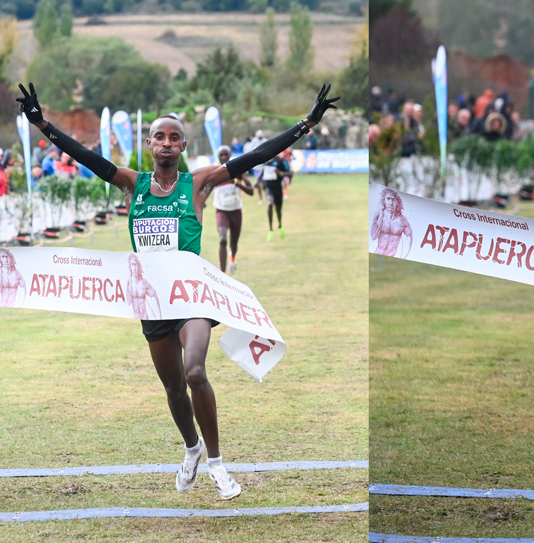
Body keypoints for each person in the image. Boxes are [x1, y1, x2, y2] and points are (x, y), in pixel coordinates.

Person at [17, 80, 339, 500]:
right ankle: (192, 448)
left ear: (184, 146)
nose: (166, 143)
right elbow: (88, 157)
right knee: (172, 389)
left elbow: (255, 156)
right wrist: (43, 124)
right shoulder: (132, 184)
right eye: (159, 137)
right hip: (153, 301)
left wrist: (307, 123)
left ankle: (218, 465)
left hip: (193, 297)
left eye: (174, 138)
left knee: (194, 372)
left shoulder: (200, 183)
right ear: (150, 144)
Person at [212, 145, 254, 274]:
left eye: (226, 154)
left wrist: (236, 182)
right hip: (221, 211)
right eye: (221, 155)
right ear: (218, 157)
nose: (224, 157)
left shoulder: (238, 170)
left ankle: (233, 258)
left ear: (230, 155)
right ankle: (223, 273)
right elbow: (207, 188)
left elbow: (251, 191)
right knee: (223, 239)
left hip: (236, 211)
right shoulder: (215, 172)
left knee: (233, 244)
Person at [259, 152, 290, 240]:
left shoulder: (280, 161)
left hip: (278, 188)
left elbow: (289, 172)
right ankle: (270, 230)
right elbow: (262, 172)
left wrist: (281, 173)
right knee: (270, 203)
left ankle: (280, 225)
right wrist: (257, 181)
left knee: (278, 210)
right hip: (268, 187)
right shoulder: (266, 161)